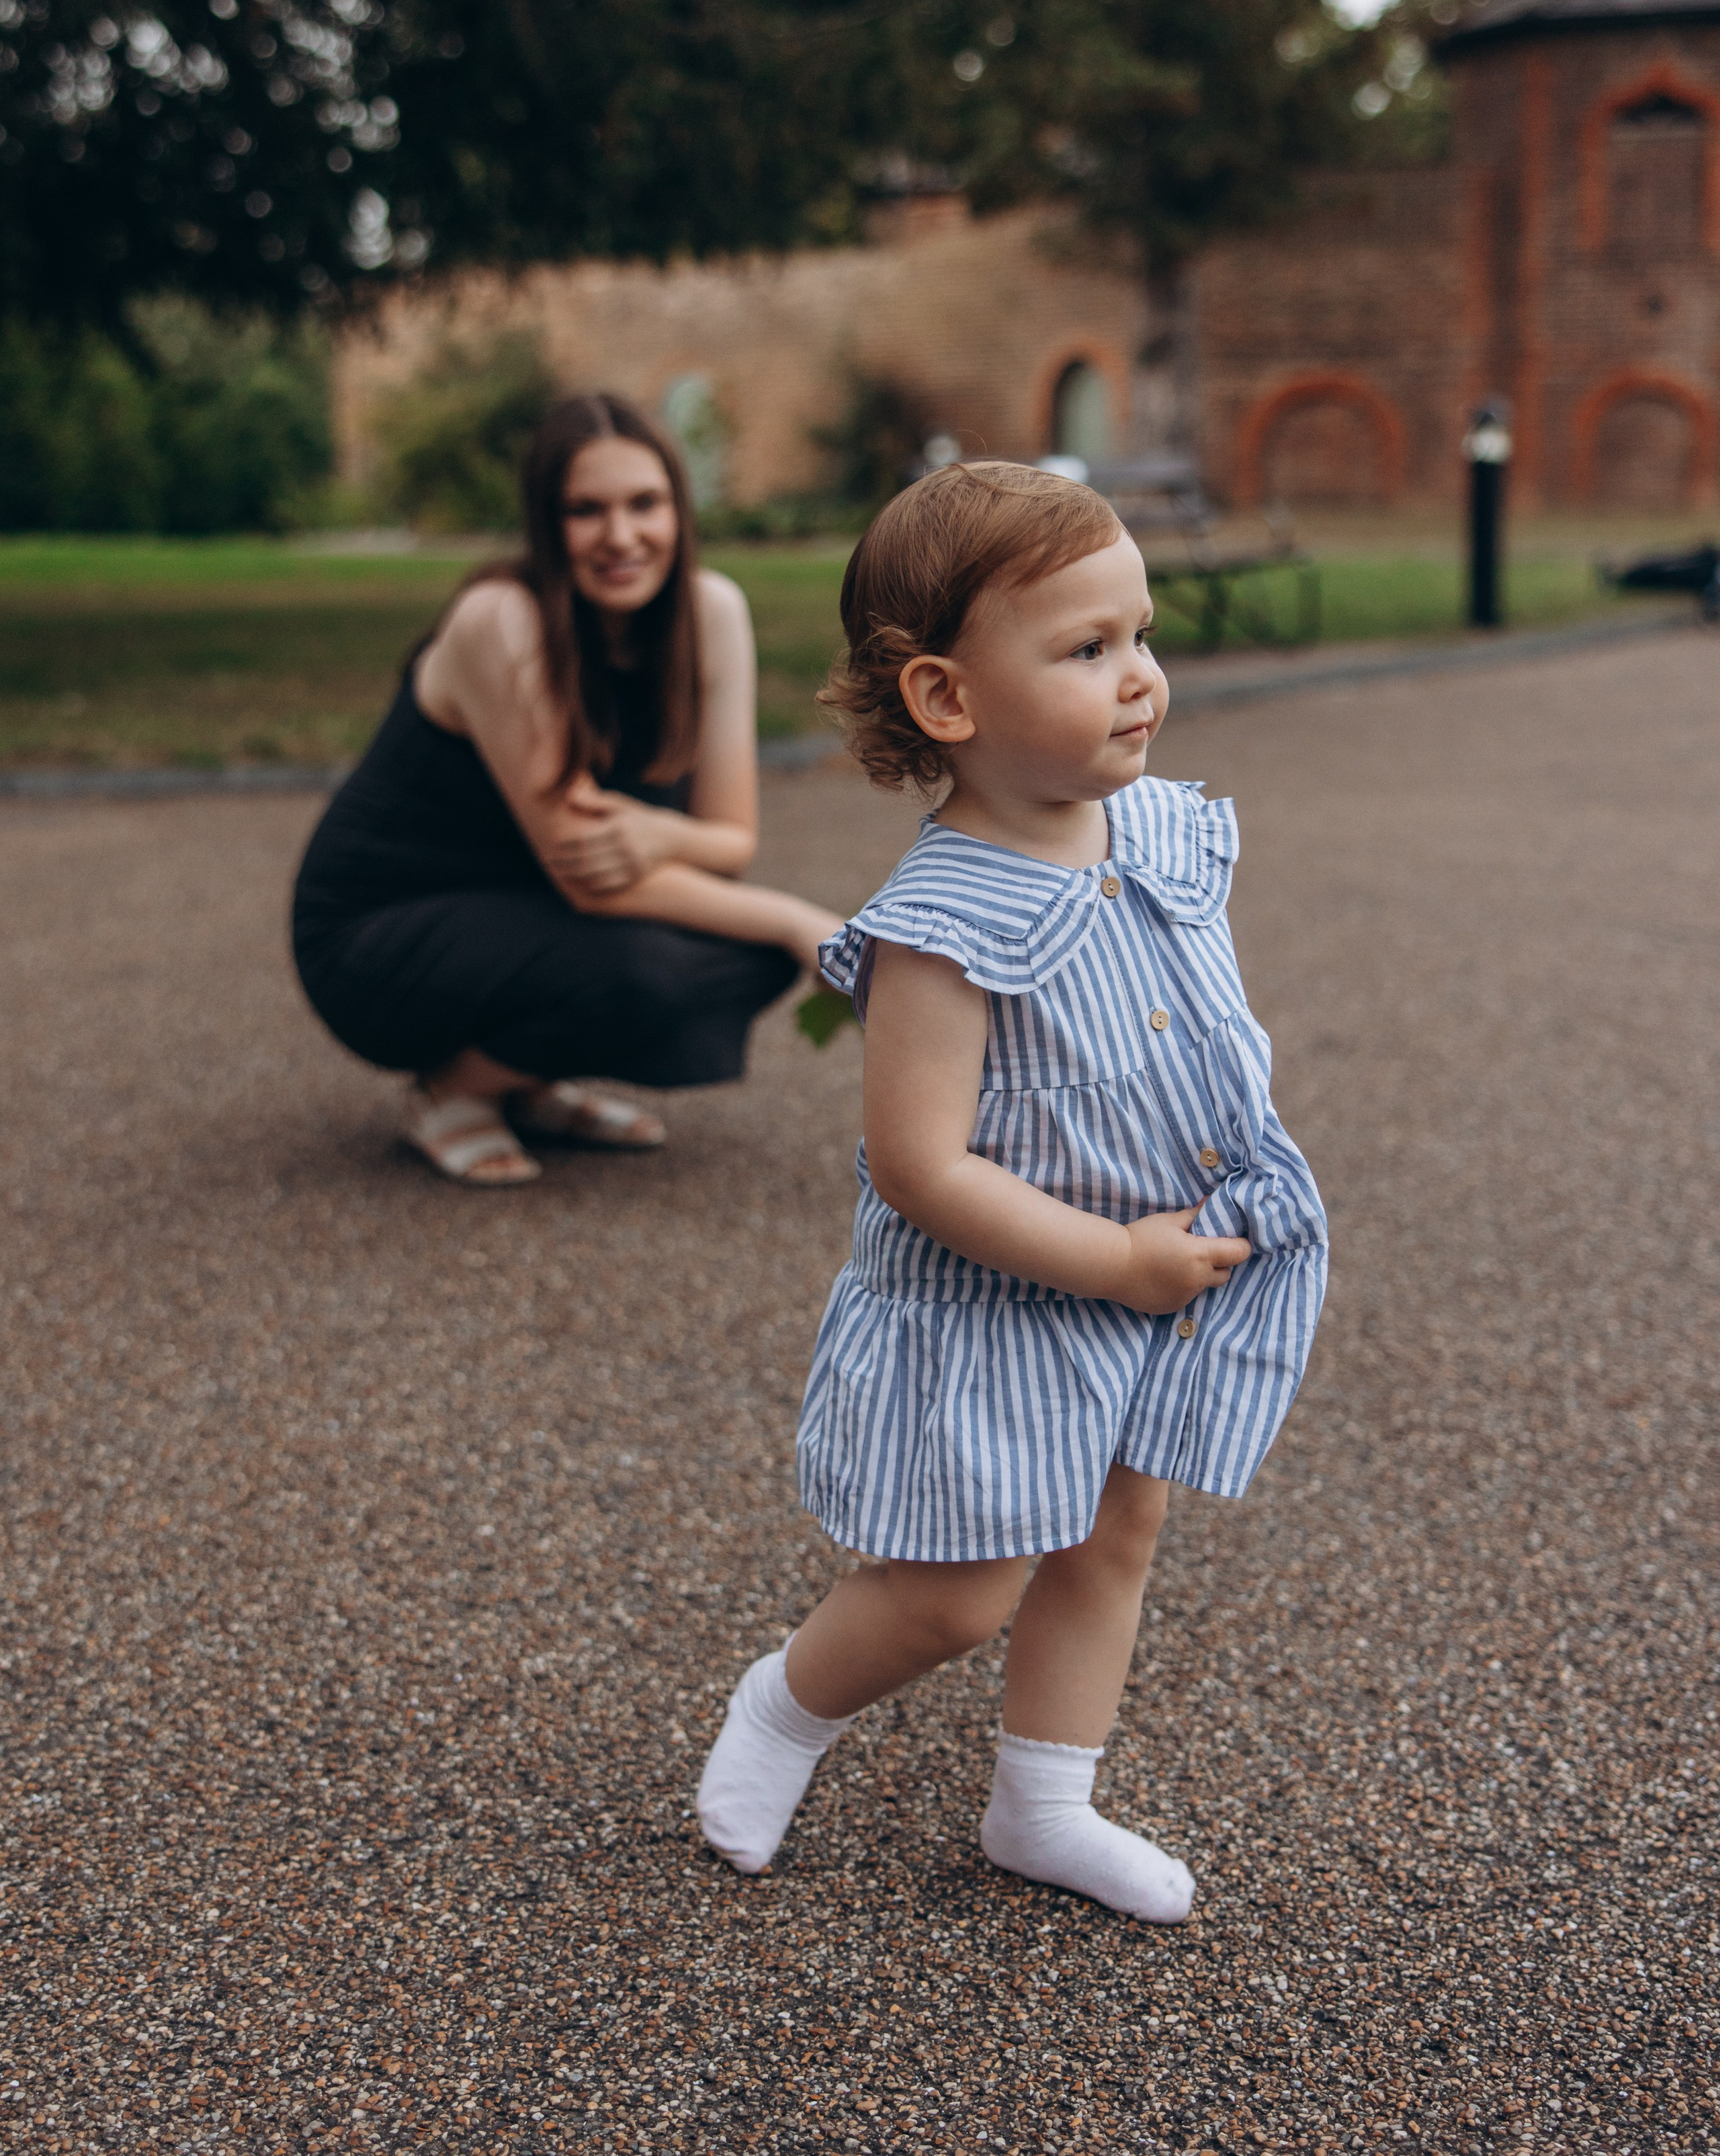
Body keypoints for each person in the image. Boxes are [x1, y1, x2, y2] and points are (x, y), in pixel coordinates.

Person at [697, 462, 1328, 1920]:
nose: (1139, 680)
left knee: (1115, 1530)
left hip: (1143, 1263)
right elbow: (920, 1167)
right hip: (1001, 1293)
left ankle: (1043, 1801)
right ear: (945, 700)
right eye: (1084, 648)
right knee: (955, 1586)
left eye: (1141, 635)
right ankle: (783, 1707)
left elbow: (1172, 1020)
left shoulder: (1158, 830)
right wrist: (1111, 1258)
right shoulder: (936, 924)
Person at [292, 392, 841, 1186]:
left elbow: (731, 842)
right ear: (547, 525)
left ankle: (523, 1080)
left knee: (744, 958)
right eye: (586, 510)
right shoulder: (498, 620)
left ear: (680, 510)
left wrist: (661, 838)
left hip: (527, 907)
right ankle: (455, 1090)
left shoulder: (710, 611)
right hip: (378, 936)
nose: (621, 537)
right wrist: (800, 920)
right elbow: (587, 878)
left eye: (644, 504)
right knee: (682, 958)